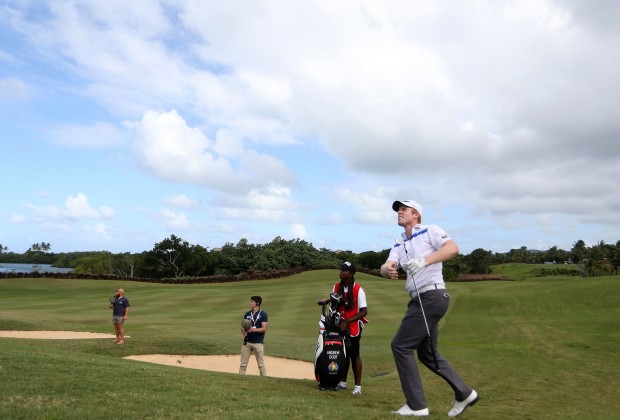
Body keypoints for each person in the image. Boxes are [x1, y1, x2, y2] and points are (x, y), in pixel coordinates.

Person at [380, 200, 478, 417]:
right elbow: (385, 266)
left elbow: (452, 248)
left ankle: (417, 405)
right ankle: (464, 393)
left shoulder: (429, 231)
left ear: (415, 214)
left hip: (432, 296)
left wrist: (424, 261)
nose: (399, 213)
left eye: (403, 209)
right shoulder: (399, 243)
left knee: (400, 346)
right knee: (427, 354)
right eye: (398, 210)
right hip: (420, 300)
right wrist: (389, 269)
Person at [329, 261, 368, 396]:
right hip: (339, 324)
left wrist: (347, 321)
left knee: (354, 355)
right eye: (340, 269)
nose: (341, 272)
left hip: (353, 326)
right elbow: (334, 302)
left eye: (344, 270)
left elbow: (363, 311)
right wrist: (326, 301)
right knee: (343, 355)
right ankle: (342, 383)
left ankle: (357, 387)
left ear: (351, 274)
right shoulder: (336, 287)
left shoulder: (358, 290)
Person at [239, 295, 269, 376]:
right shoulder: (247, 314)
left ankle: (264, 380)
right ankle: (240, 379)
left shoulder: (263, 314)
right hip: (247, 342)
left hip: (258, 343)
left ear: (257, 303)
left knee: (261, 365)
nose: (250, 303)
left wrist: (253, 329)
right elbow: (242, 326)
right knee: (243, 364)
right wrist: (244, 332)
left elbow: (264, 328)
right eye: (250, 301)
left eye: (252, 301)